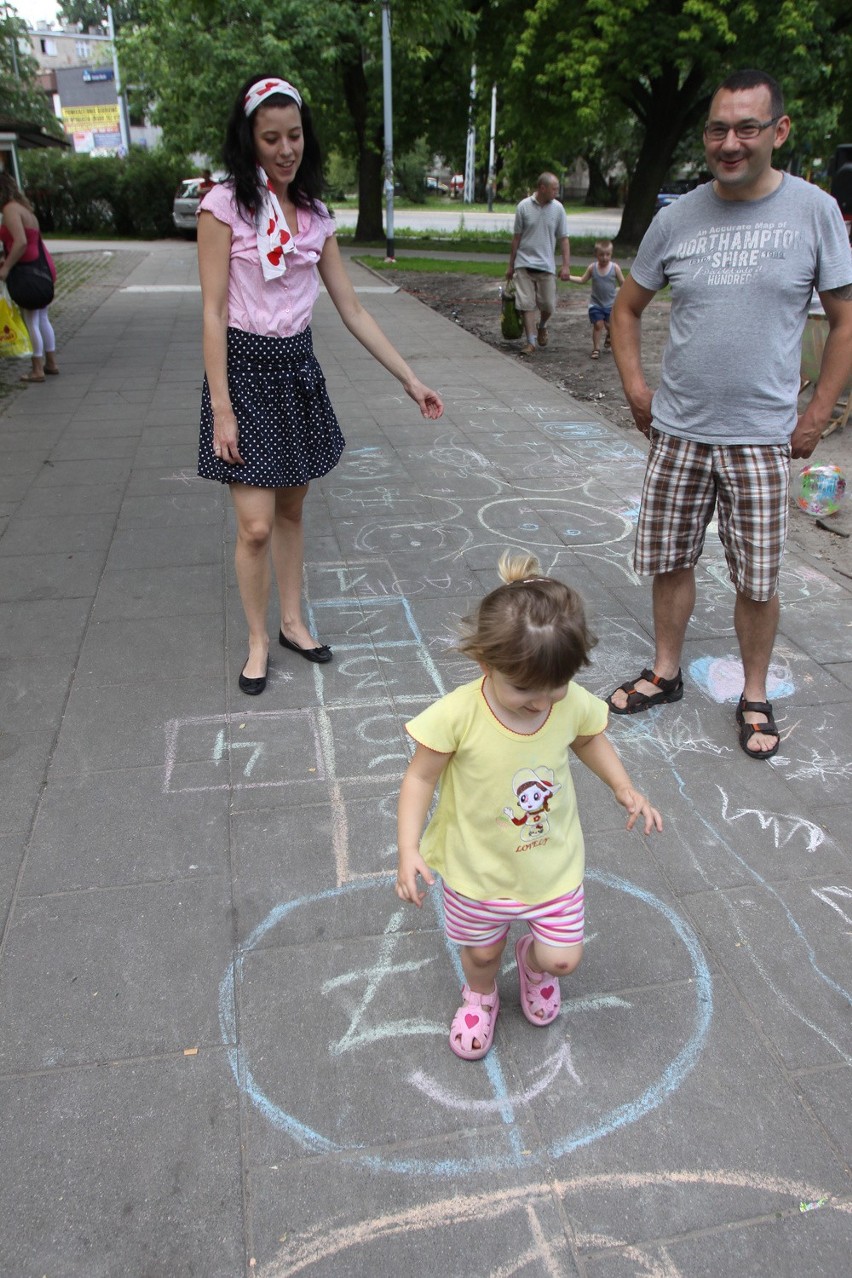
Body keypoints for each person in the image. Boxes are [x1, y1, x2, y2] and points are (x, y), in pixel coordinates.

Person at [607, 68, 852, 761]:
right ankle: (665, 670)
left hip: (761, 438)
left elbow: (844, 319)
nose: (730, 142)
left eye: (747, 127)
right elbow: (627, 308)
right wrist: (635, 388)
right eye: (718, 128)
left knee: (757, 577)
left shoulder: (813, 211)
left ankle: (752, 693)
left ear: (779, 131)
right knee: (670, 560)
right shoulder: (676, 217)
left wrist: (817, 413)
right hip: (680, 431)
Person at [197, 75, 443, 695]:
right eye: (271, 137)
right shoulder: (223, 207)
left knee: (291, 508)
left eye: (295, 135)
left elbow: (353, 309)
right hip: (245, 373)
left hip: (297, 370)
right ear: (249, 138)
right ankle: (257, 641)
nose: (286, 149)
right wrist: (222, 406)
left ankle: (291, 621)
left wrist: (409, 379)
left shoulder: (314, 215)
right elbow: (212, 310)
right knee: (254, 524)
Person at [396, 552, 661, 1061]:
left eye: (554, 689)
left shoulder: (568, 700)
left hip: (550, 863)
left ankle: (534, 965)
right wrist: (408, 847)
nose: (542, 703)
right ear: (484, 664)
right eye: (524, 691)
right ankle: (481, 993)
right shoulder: (458, 714)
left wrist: (623, 786)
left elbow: (588, 737)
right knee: (480, 952)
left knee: (563, 957)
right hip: (478, 866)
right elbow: (420, 776)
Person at [0, 173, 59, 383]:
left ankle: (37, 368)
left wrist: (6, 268)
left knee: (31, 319)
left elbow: (21, 242)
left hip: (28, 271)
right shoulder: (25, 209)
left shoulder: (10, 210)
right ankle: (50, 362)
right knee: (42, 317)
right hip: (41, 268)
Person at [506, 173, 570, 356]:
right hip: (524, 263)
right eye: (554, 188)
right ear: (542, 188)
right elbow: (516, 238)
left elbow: (564, 239)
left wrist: (565, 265)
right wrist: (511, 265)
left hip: (546, 265)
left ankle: (541, 325)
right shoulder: (523, 207)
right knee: (526, 304)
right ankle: (530, 342)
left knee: (548, 305)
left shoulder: (558, 209)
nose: (557, 192)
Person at [569, 239, 624, 358]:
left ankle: (609, 335)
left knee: (610, 326)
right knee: (598, 325)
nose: (604, 258)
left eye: (607, 254)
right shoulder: (592, 268)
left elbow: (623, 283)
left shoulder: (615, 268)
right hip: (596, 304)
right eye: (601, 254)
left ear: (611, 254)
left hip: (610, 304)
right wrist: (569, 277)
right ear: (596, 254)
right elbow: (582, 280)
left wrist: (618, 291)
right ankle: (596, 348)